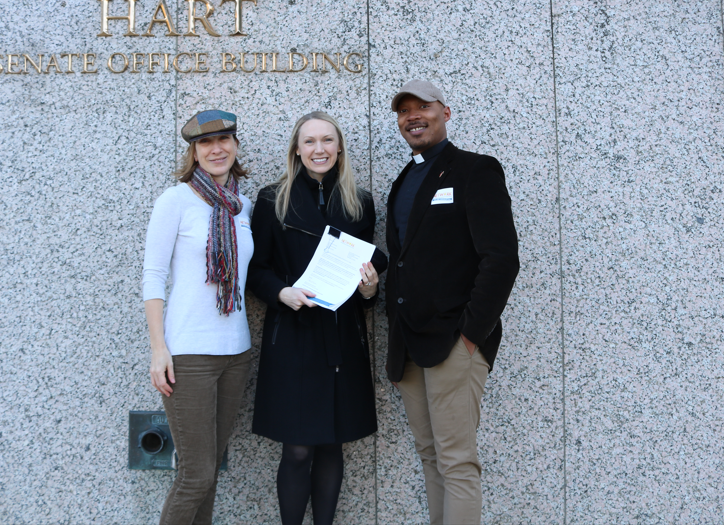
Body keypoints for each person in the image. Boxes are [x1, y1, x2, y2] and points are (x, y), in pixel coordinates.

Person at [385, 80, 520, 525]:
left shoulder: (475, 170)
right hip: (409, 345)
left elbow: (500, 260)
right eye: (405, 111)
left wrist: (469, 336)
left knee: (457, 461)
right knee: (429, 456)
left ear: (445, 111)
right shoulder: (404, 180)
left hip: (453, 343)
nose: (413, 116)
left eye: (422, 106)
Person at [248, 111, 388, 525]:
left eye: (327, 140)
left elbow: (364, 273)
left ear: (339, 147)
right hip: (292, 334)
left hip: (342, 336)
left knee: (332, 444)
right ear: (296, 149)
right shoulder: (272, 199)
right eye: (309, 141)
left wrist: (370, 290)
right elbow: (257, 271)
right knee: (297, 448)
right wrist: (281, 293)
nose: (319, 149)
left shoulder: (359, 202)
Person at [142, 110, 254, 525]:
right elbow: (153, 276)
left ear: (236, 145)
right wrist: (159, 350)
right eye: (206, 143)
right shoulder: (176, 200)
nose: (216, 148)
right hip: (188, 356)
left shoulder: (245, 206)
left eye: (224, 139)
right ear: (194, 151)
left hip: (236, 354)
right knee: (195, 474)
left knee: (210, 476)